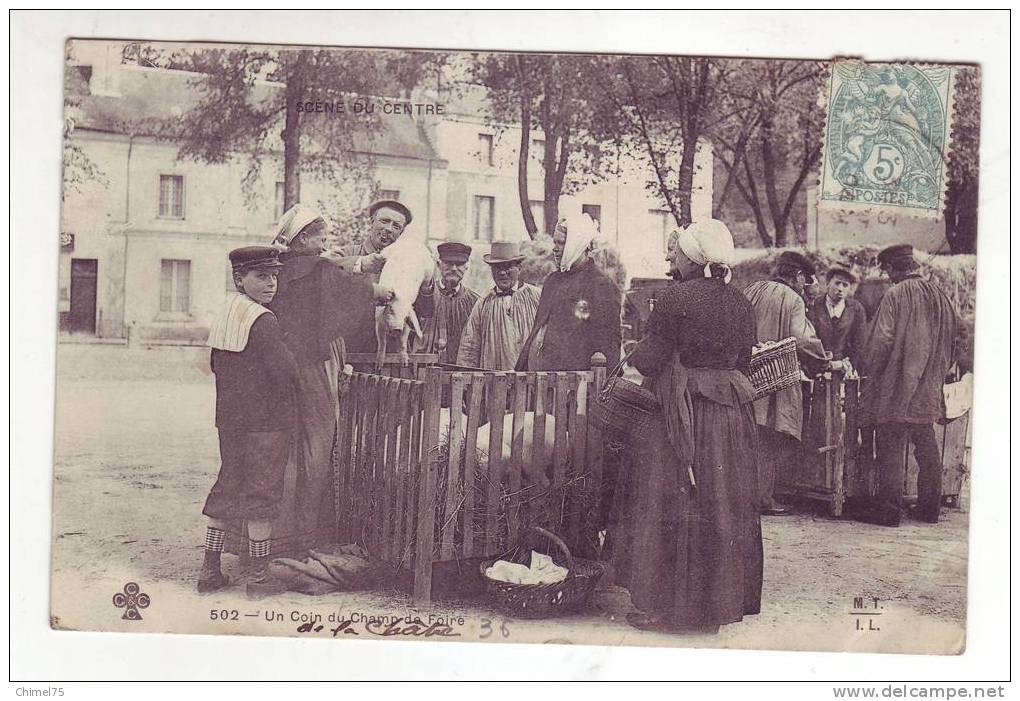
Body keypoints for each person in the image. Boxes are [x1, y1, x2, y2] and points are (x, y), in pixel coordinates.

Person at [612, 219, 762, 634]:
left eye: (676, 252)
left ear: (693, 259)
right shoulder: (740, 301)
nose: (670, 258)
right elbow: (745, 361)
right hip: (730, 418)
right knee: (721, 505)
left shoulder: (675, 297)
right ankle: (714, 607)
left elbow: (648, 361)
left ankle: (669, 609)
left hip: (686, 415)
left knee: (671, 502)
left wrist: (638, 353)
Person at [267, 204, 382, 554]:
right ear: (304, 238)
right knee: (320, 443)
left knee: (284, 446)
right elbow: (364, 296)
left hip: (283, 363)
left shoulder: (279, 269)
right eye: (322, 236)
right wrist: (380, 287)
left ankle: (272, 536)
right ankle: (307, 535)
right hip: (317, 362)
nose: (327, 242)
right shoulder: (320, 269)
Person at [200, 246, 298, 597]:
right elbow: (286, 371)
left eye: (274, 276)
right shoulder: (262, 319)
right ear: (239, 278)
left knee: (228, 485)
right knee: (263, 494)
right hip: (266, 423)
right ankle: (259, 578)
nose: (271, 283)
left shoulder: (227, 312)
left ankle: (209, 570)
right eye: (261, 276)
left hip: (230, 420)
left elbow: (214, 365)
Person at [859, 244, 957, 527]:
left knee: (890, 444)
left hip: (896, 387)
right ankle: (929, 509)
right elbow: (957, 337)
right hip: (928, 387)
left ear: (891, 269)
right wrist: (939, 370)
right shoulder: (941, 296)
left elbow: (881, 341)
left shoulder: (895, 294)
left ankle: (888, 512)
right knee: (926, 446)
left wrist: (870, 373)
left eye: (887, 270)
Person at [743, 251, 828, 515]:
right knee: (769, 437)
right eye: (806, 280)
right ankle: (763, 499)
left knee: (749, 437)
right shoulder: (793, 299)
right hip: (775, 380)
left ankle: (745, 497)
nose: (806, 286)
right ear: (798, 276)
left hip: (746, 377)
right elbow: (800, 339)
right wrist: (823, 357)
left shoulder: (752, 290)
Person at [515, 213, 621, 372]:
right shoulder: (552, 280)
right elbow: (538, 331)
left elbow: (609, 345)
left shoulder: (600, 285)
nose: (555, 249)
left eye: (562, 243)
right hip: (541, 379)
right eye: (554, 242)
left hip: (576, 384)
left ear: (577, 244)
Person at [331, 199, 435, 352]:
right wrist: (361, 264)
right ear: (371, 222)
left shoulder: (408, 264)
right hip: (349, 352)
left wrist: (427, 282)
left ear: (401, 233)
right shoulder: (349, 254)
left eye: (396, 226)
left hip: (390, 356)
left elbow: (425, 312)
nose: (388, 229)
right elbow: (320, 267)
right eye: (384, 221)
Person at [457, 241, 541, 370]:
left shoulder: (537, 297)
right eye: (497, 267)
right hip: (494, 382)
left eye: (507, 267)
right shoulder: (483, 303)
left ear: (519, 267)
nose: (502, 273)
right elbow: (469, 348)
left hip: (530, 382)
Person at [417, 241, 480, 364]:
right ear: (438, 264)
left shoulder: (475, 302)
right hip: (424, 369)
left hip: (460, 372)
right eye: (448, 263)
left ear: (467, 267)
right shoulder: (422, 295)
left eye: (459, 264)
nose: (454, 269)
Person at [808, 265, 870, 371]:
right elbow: (808, 342)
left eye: (845, 285)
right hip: (817, 370)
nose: (840, 289)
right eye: (837, 283)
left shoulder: (856, 309)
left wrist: (843, 364)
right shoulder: (814, 306)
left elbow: (860, 345)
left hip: (845, 370)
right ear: (828, 284)